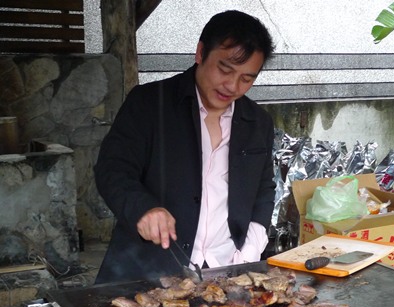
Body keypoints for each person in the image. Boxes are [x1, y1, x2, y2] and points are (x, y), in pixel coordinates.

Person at [94, 10, 276, 284]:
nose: (232, 86)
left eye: (247, 78)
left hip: (225, 271)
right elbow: (113, 169)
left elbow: (264, 189)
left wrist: (249, 250)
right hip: (149, 272)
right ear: (200, 53)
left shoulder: (257, 122)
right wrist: (143, 208)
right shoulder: (149, 103)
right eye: (225, 69)